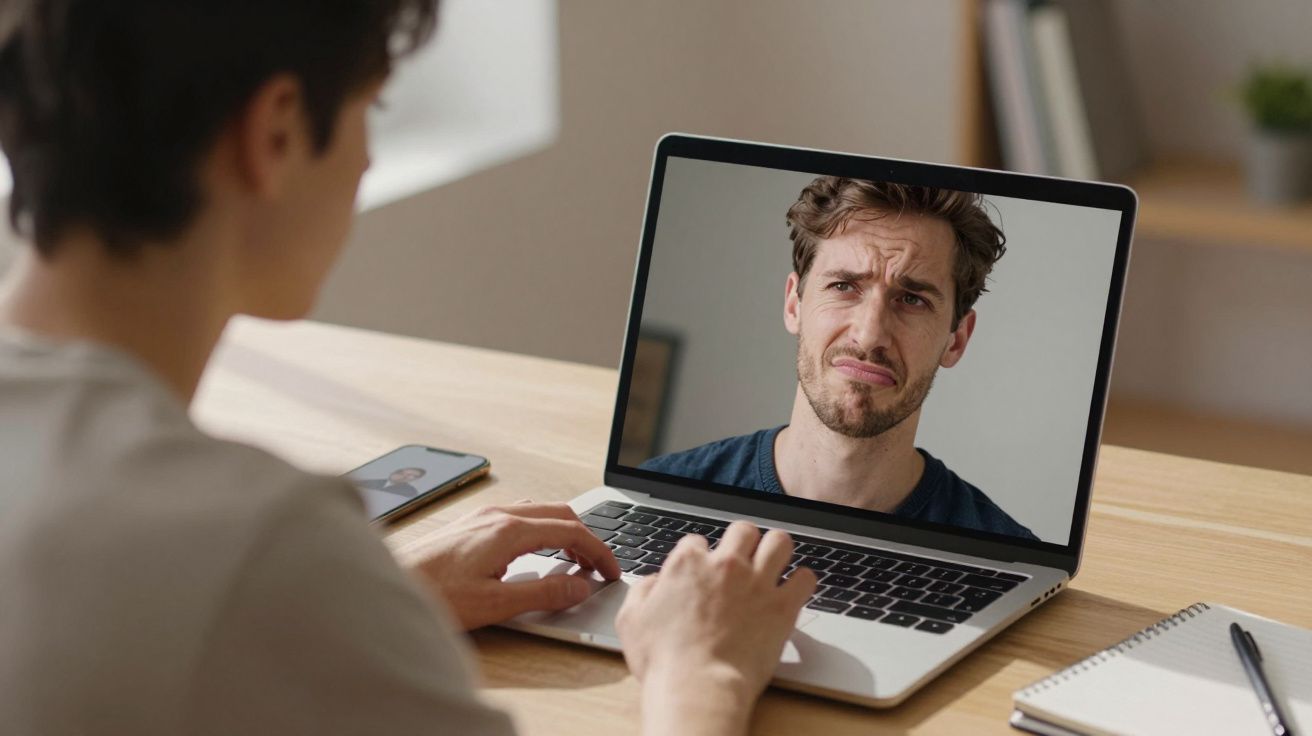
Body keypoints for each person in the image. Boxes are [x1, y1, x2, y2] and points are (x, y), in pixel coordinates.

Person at [0, 2, 817, 734]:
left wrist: (356, 605)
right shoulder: (254, 547)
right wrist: (697, 673)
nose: (363, 162)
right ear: (276, 131)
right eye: (372, 109)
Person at [642, 177, 1038, 540]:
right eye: (844, 286)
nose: (869, 335)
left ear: (957, 340)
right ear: (794, 305)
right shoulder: (653, 502)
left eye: (912, 299)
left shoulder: (1003, 552)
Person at [358, 466, 428, 498]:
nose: (404, 475)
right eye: (401, 472)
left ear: (415, 479)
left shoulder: (410, 492)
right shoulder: (371, 482)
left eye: (411, 475)